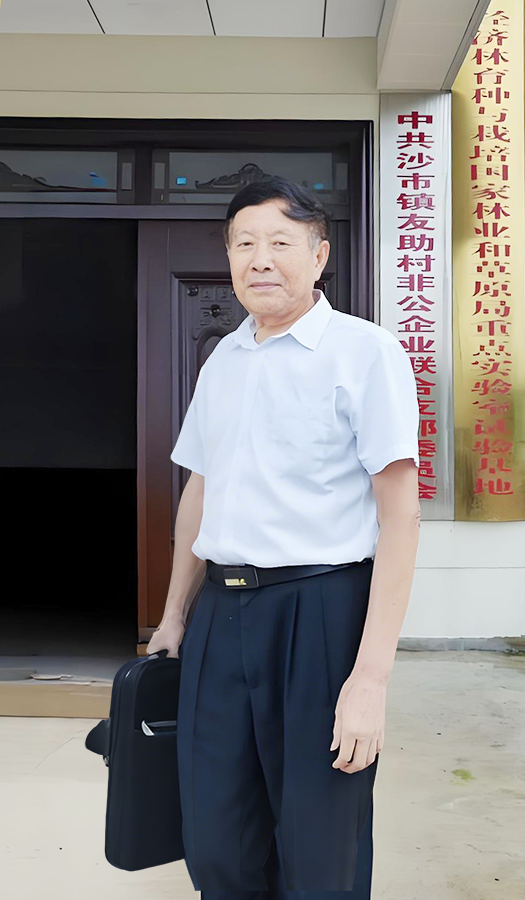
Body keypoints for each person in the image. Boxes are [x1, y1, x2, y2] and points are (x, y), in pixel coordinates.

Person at [146, 175, 421, 899]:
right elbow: (200, 491)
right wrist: (174, 616)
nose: (260, 259)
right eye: (244, 244)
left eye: (280, 242)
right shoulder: (223, 359)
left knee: (318, 844)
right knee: (216, 839)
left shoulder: (365, 353)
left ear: (319, 255)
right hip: (220, 616)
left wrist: (370, 680)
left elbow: (401, 518)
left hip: (321, 612)